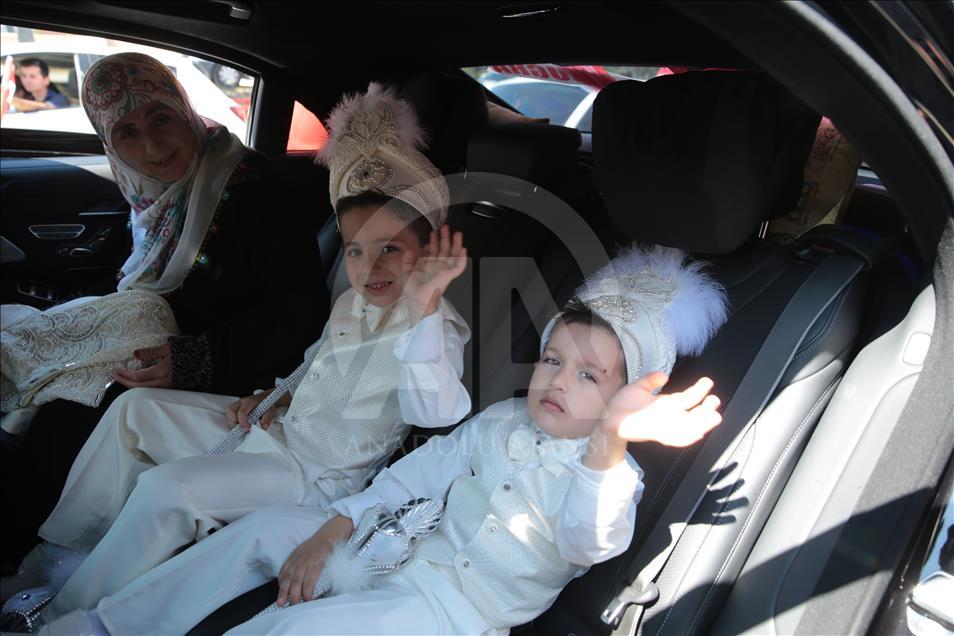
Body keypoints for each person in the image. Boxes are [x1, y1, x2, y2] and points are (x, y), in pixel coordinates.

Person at [40, 244, 730, 635]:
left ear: (628, 397)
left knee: (295, 630)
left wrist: (609, 442)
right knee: (259, 533)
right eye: (552, 359)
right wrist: (331, 529)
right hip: (396, 537)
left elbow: (588, 542)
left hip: (446, 610)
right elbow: (414, 477)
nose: (557, 380)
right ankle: (96, 626)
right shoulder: (502, 421)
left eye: (589, 376)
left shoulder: (610, 476)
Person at [11, 81, 473, 624]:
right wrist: (273, 395)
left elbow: (436, 410)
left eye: (390, 248)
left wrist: (424, 308)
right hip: (278, 429)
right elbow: (315, 363)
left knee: (170, 489)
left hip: (312, 477)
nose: (369, 267)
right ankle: (58, 560)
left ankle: (65, 615)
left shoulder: (436, 328)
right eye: (355, 251)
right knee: (134, 411)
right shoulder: (353, 304)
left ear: (429, 250)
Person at [1, 52, 328, 581]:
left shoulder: (253, 191)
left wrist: (194, 359)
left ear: (183, 109)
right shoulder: (154, 199)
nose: (152, 146)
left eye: (160, 119)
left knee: (68, 409)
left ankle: (25, 554)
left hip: (238, 374)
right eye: (127, 133)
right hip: (159, 351)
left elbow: (298, 314)